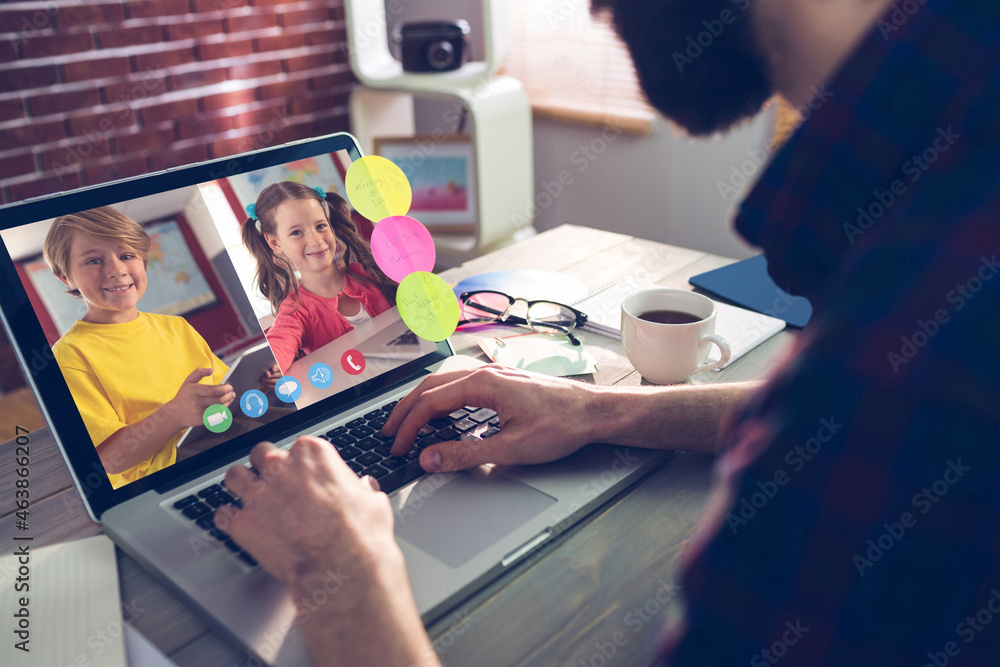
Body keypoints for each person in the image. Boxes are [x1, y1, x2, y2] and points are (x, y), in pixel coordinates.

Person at [215, 0, 999, 665]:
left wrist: (340, 577)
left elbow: (866, 411)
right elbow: (836, 424)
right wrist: (604, 411)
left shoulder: (910, 340)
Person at [44, 207, 237, 489]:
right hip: (164, 473)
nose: (116, 270)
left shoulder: (177, 327)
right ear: (66, 278)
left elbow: (223, 396)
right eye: (94, 260)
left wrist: (256, 383)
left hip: (219, 435)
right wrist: (175, 413)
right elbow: (109, 459)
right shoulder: (70, 355)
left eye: (126, 256)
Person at [242, 182, 397, 372]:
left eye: (321, 226)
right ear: (275, 243)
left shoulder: (373, 273)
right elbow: (280, 344)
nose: (316, 240)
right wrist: (272, 368)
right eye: (296, 232)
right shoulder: (294, 311)